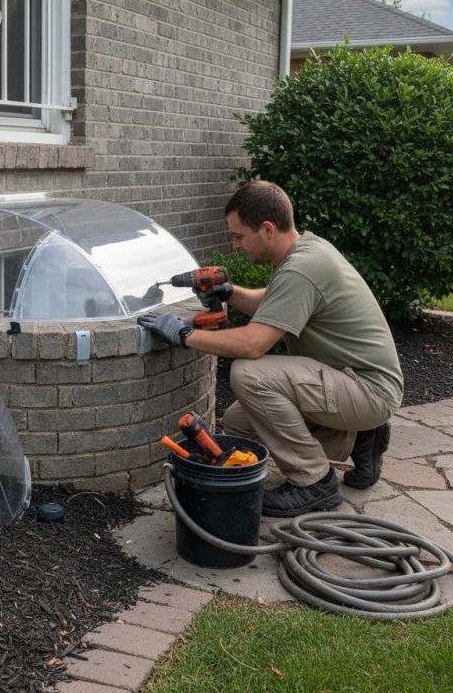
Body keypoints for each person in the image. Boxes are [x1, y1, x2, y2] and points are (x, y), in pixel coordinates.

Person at [138, 180, 403, 518]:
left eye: (239, 236)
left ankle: (315, 482)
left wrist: (184, 334)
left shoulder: (302, 268)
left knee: (249, 375)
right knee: (237, 424)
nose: (234, 245)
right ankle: (360, 437)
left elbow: (252, 344)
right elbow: (274, 302)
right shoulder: (305, 251)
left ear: (266, 229)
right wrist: (229, 292)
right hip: (349, 378)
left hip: (368, 389)